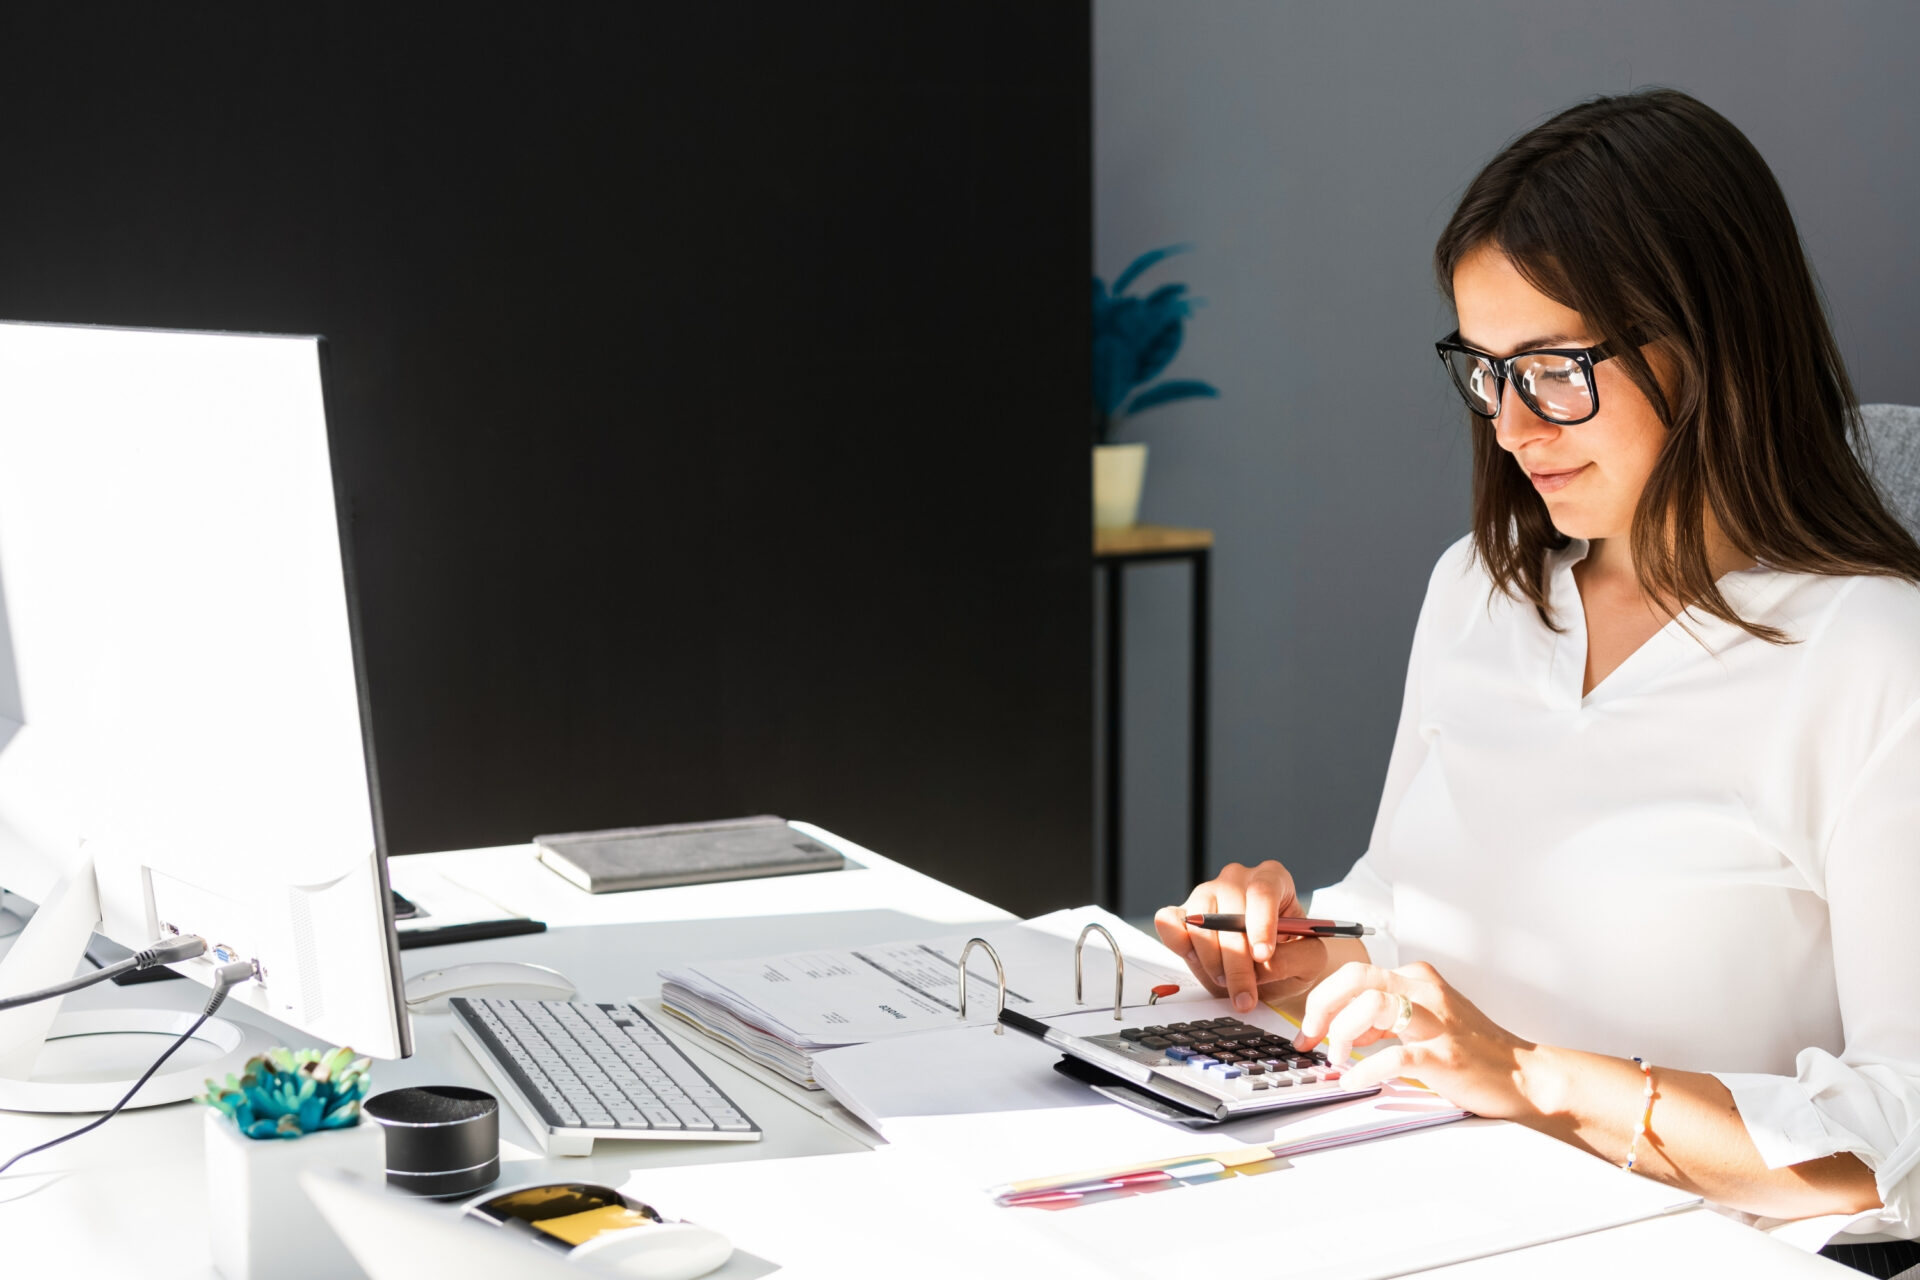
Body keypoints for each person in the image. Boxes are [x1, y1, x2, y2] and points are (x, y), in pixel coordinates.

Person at [1154, 88, 1920, 1267]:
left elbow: (1896, 1137)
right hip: (1427, 1191)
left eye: (1556, 369)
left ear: (1710, 346)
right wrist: (1298, 948)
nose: (1513, 428)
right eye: (1487, 370)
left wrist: (1528, 1075)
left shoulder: (1871, 652)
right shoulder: (1481, 587)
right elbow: (1405, 915)